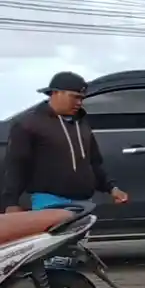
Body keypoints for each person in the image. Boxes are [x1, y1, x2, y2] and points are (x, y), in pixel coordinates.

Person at [1, 71, 129, 213]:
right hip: (49, 202)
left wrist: (112, 188)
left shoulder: (82, 124)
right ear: (55, 93)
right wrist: (10, 203)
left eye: (81, 98)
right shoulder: (29, 124)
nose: (79, 103)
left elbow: (94, 163)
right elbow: (16, 166)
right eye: (74, 97)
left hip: (84, 202)